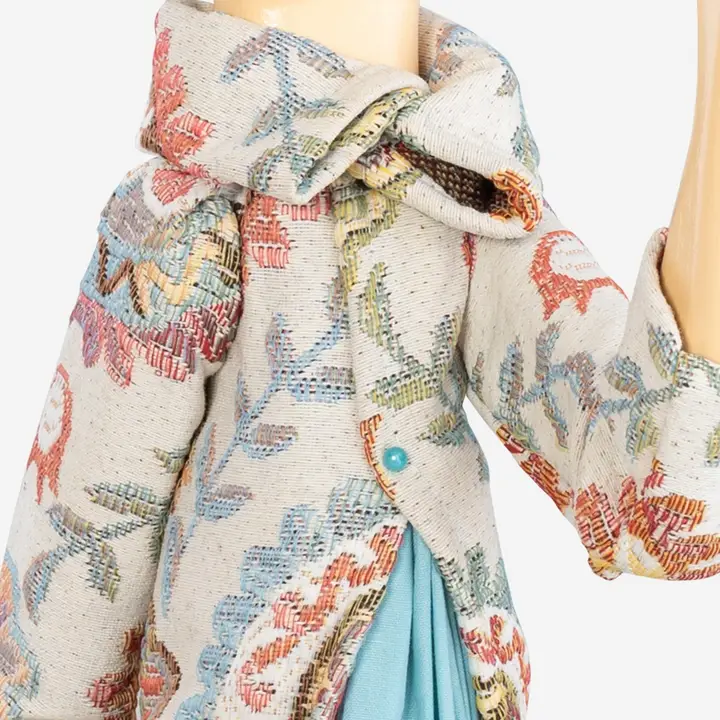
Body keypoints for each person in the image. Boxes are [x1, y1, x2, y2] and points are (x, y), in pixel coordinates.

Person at [1, 1, 718, 718]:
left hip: (436, 674)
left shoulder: (467, 193)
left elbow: (654, 496)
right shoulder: (183, 215)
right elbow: (77, 574)